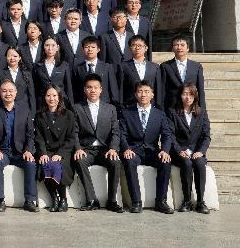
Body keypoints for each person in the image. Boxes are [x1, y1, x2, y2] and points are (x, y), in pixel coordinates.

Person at [71, 74, 124, 213]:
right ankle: (91, 200)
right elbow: (74, 132)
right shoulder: (77, 108)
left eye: (95, 87)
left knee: (115, 162)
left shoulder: (110, 108)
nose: (92, 90)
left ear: (101, 89)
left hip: (105, 150)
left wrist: (113, 148)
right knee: (79, 161)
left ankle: (112, 201)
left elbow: (115, 132)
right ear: (85, 90)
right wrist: (78, 148)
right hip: (86, 149)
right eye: (89, 87)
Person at [119, 81, 175, 214]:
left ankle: (161, 202)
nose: (143, 94)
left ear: (152, 94)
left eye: (146, 91)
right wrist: (126, 148)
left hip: (153, 151)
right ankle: (136, 202)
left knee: (165, 161)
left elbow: (167, 135)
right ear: (135, 94)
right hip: (134, 150)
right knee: (129, 161)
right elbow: (121, 134)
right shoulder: (126, 113)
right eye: (140, 91)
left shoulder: (160, 114)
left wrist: (165, 150)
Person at [0, 79, 38, 212]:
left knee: (31, 163)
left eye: (10, 91)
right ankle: (0, 200)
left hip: (20, 152)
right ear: (0, 93)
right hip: (2, 151)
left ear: (16, 92)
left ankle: (29, 200)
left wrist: (28, 150)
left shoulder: (25, 110)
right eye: (4, 91)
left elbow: (30, 134)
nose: (7, 93)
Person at [34, 85, 78, 212]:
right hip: (47, 150)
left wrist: (60, 153)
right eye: (48, 95)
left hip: (63, 150)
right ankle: (54, 198)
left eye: (54, 95)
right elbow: (39, 137)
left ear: (59, 97)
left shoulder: (69, 115)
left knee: (59, 164)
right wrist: (43, 153)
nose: (51, 98)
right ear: (44, 97)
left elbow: (71, 138)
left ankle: (63, 199)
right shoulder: (39, 115)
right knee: (45, 163)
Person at [170, 83, 212, 214]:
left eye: (191, 94)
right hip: (179, 152)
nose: (188, 97)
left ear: (195, 96)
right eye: (185, 94)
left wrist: (200, 151)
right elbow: (170, 135)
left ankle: (200, 202)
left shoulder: (201, 112)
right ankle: (187, 201)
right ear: (180, 95)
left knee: (199, 164)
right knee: (186, 163)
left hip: (196, 151)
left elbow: (206, 136)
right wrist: (179, 151)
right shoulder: (173, 112)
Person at [161, 35, 206, 111]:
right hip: (172, 108)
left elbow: (200, 91)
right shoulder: (165, 66)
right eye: (176, 45)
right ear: (172, 48)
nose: (179, 47)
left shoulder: (196, 67)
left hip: (191, 108)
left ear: (188, 48)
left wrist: (203, 111)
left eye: (182, 45)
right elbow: (162, 90)